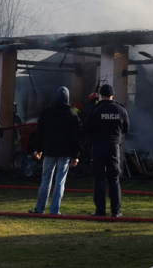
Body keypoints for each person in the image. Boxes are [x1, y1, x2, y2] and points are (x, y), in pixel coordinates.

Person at [29, 87, 80, 215]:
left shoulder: (46, 112)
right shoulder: (72, 114)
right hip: (65, 152)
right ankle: (54, 210)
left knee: (45, 179)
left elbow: (39, 131)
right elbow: (75, 138)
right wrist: (75, 156)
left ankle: (39, 209)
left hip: (49, 150)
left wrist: (38, 149)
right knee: (60, 181)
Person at [82, 84, 129, 217]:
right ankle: (116, 211)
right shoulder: (121, 110)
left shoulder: (95, 110)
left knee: (99, 178)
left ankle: (100, 210)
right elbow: (126, 129)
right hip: (114, 147)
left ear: (100, 95)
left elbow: (86, 127)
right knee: (114, 178)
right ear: (113, 95)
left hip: (98, 146)